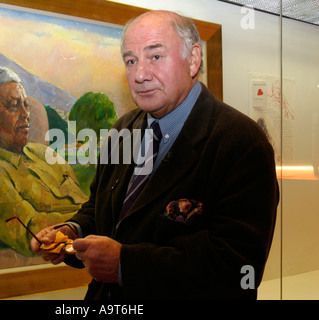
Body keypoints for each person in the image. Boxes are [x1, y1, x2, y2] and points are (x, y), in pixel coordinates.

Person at [31, 11, 279, 299]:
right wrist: (72, 232)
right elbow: (102, 209)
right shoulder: (125, 128)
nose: (140, 75)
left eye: (155, 57)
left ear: (194, 59)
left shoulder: (242, 142)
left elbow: (238, 267)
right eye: (131, 60)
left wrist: (126, 265)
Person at [0, 66, 88, 257]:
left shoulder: (43, 153)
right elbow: (37, 231)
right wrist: (99, 221)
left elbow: (89, 206)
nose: (25, 114)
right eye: (14, 105)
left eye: (26, 105)